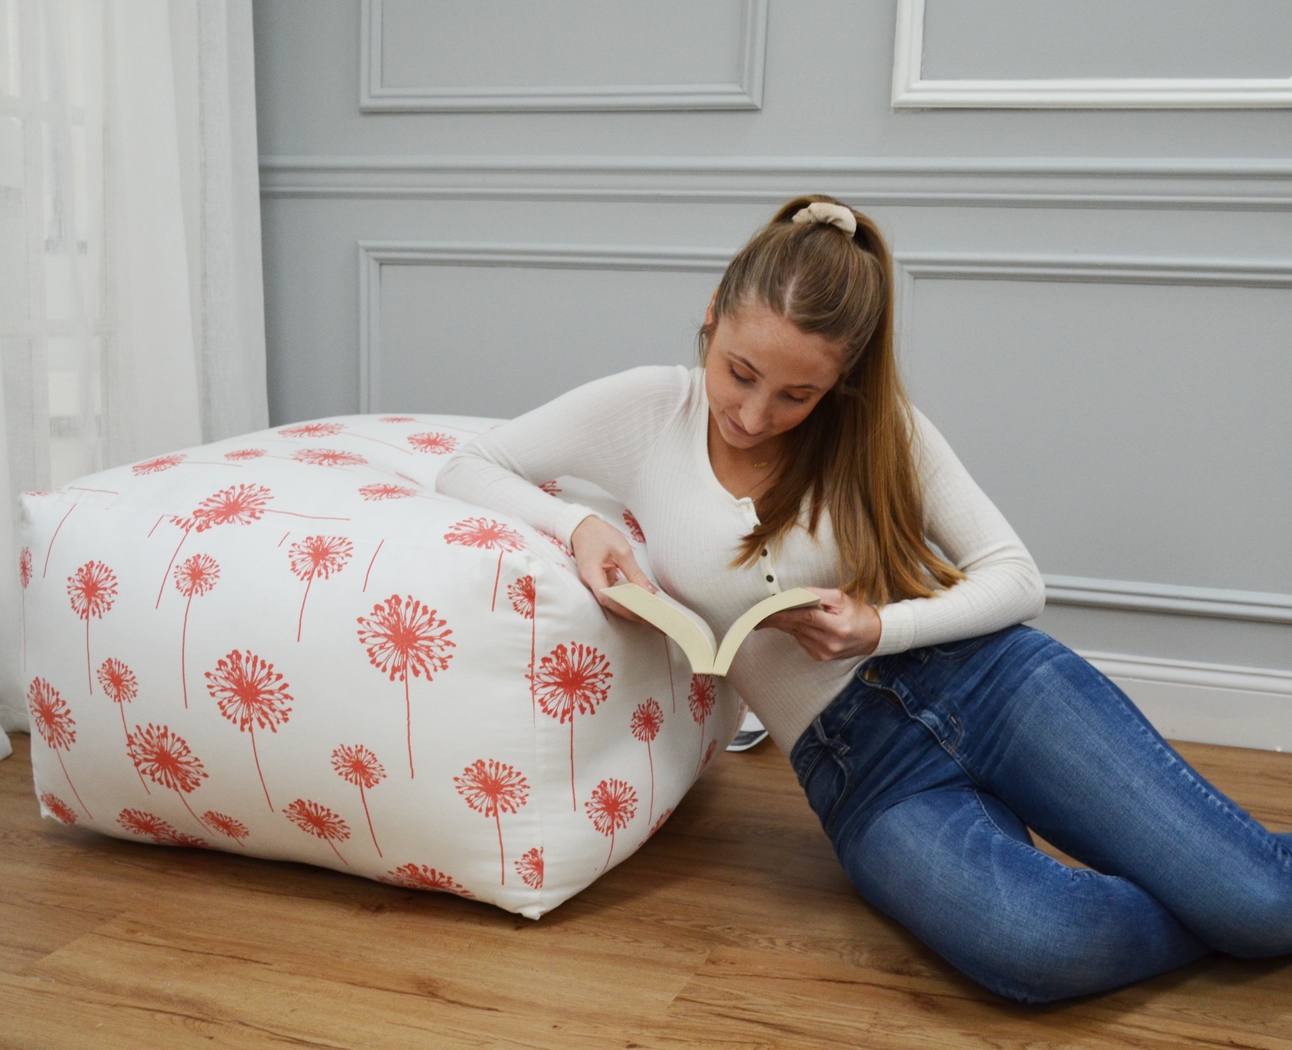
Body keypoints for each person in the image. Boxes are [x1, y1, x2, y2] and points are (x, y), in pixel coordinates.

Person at [436, 196, 1292, 1002]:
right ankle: (1203, 897)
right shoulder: (648, 408)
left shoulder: (881, 430)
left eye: (797, 395)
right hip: (860, 775)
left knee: (1262, 906)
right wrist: (576, 527)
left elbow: (1015, 575)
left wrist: (881, 626)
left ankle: (1224, 898)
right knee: (1038, 947)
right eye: (740, 373)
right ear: (711, 313)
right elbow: (469, 463)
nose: (755, 413)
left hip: (992, 686)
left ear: (837, 381)